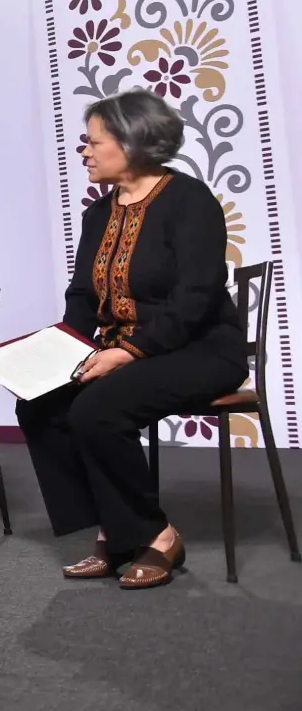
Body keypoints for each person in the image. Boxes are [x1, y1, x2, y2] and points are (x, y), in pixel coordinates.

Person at [17, 88, 247, 590]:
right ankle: (116, 530)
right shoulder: (98, 213)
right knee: (39, 403)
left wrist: (127, 352)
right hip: (124, 352)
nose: (84, 151)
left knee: (97, 408)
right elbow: (82, 295)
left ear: (132, 141)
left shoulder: (189, 201)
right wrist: (57, 353)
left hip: (202, 349)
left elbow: (195, 298)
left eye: (93, 141)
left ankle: (156, 536)